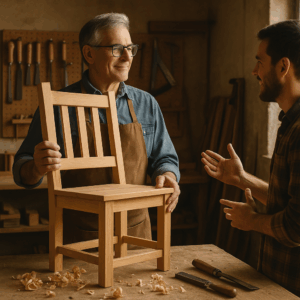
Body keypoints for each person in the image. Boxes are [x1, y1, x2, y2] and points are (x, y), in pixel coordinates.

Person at [13, 13, 180, 245]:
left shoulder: (146, 104)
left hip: (135, 236)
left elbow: (165, 158)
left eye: (131, 48)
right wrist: (36, 167)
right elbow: (22, 168)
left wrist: (168, 175)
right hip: (80, 236)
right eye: (116, 48)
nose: (127, 56)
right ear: (89, 54)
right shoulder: (58, 105)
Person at [201, 20, 300, 296]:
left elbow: (296, 228)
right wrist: (242, 179)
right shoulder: (290, 124)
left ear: (283, 66)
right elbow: (288, 203)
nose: (254, 71)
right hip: (279, 282)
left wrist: (252, 221)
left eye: (260, 61)